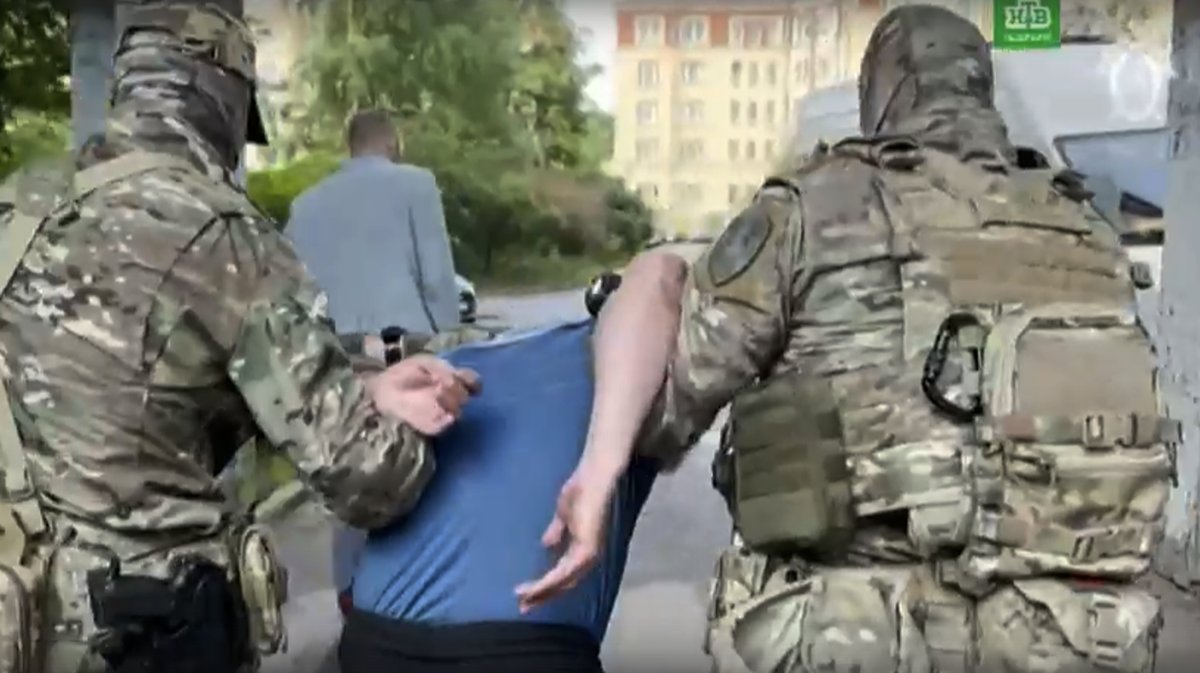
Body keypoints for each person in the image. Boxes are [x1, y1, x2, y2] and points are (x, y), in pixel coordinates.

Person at [520, 5, 1175, 673]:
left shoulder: (809, 209)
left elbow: (668, 411)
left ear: (881, 94)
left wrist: (629, 320)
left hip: (860, 630)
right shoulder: (1087, 230)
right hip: (1063, 632)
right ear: (982, 89)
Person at [0, 4, 477, 673]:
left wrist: (362, 386)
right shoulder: (221, 233)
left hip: (20, 621)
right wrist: (427, 419)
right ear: (224, 98)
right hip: (145, 632)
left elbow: (130, 389)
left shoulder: (20, 204)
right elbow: (368, 479)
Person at [337, 252, 687, 673]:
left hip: (392, 635)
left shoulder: (628, 366)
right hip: (482, 641)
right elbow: (659, 274)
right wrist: (377, 384)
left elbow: (658, 275)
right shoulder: (433, 369)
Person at [287, 109, 460, 336]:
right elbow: (436, 278)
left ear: (351, 147)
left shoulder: (303, 205)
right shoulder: (418, 185)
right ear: (392, 142)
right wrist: (449, 335)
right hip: (404, 341)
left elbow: (290, 285)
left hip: (332, 344)